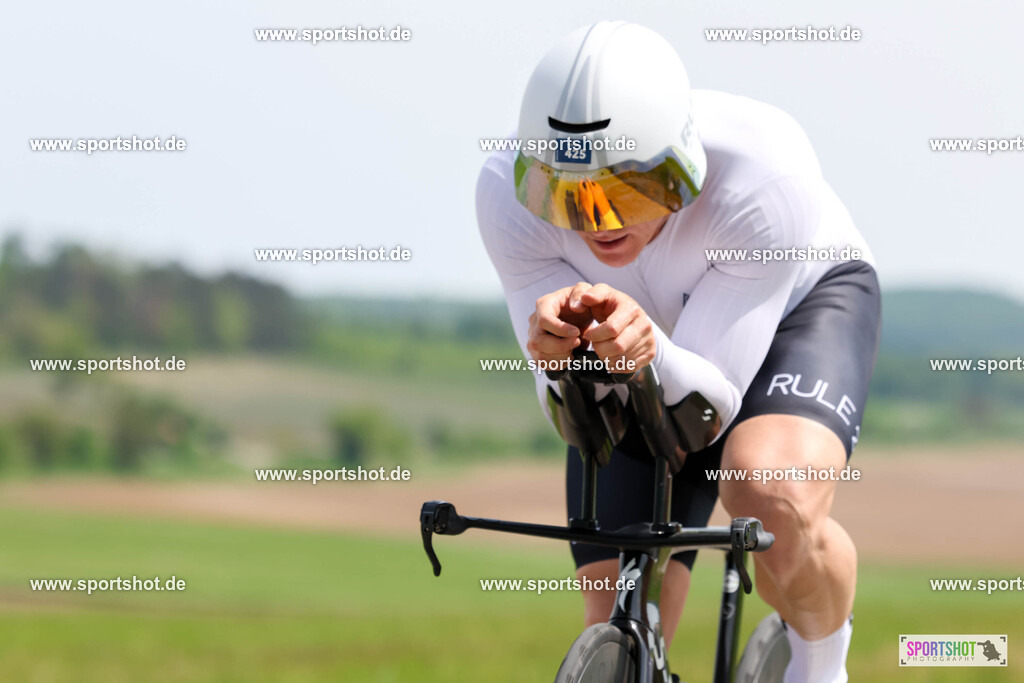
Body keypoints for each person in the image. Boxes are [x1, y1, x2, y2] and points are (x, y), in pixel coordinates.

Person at [476, 20, 881, 683]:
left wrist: (650, 350)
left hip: (795, 308)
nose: (601, 224)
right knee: (615, 586)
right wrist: (561, 364)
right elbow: (579, 413)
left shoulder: (765, 179)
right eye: (573, 196)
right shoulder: (506, 197)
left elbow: (705, 410)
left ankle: (821, 665)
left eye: (629, 190)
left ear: (681, 165)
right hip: (651, 349)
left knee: (766, 491)